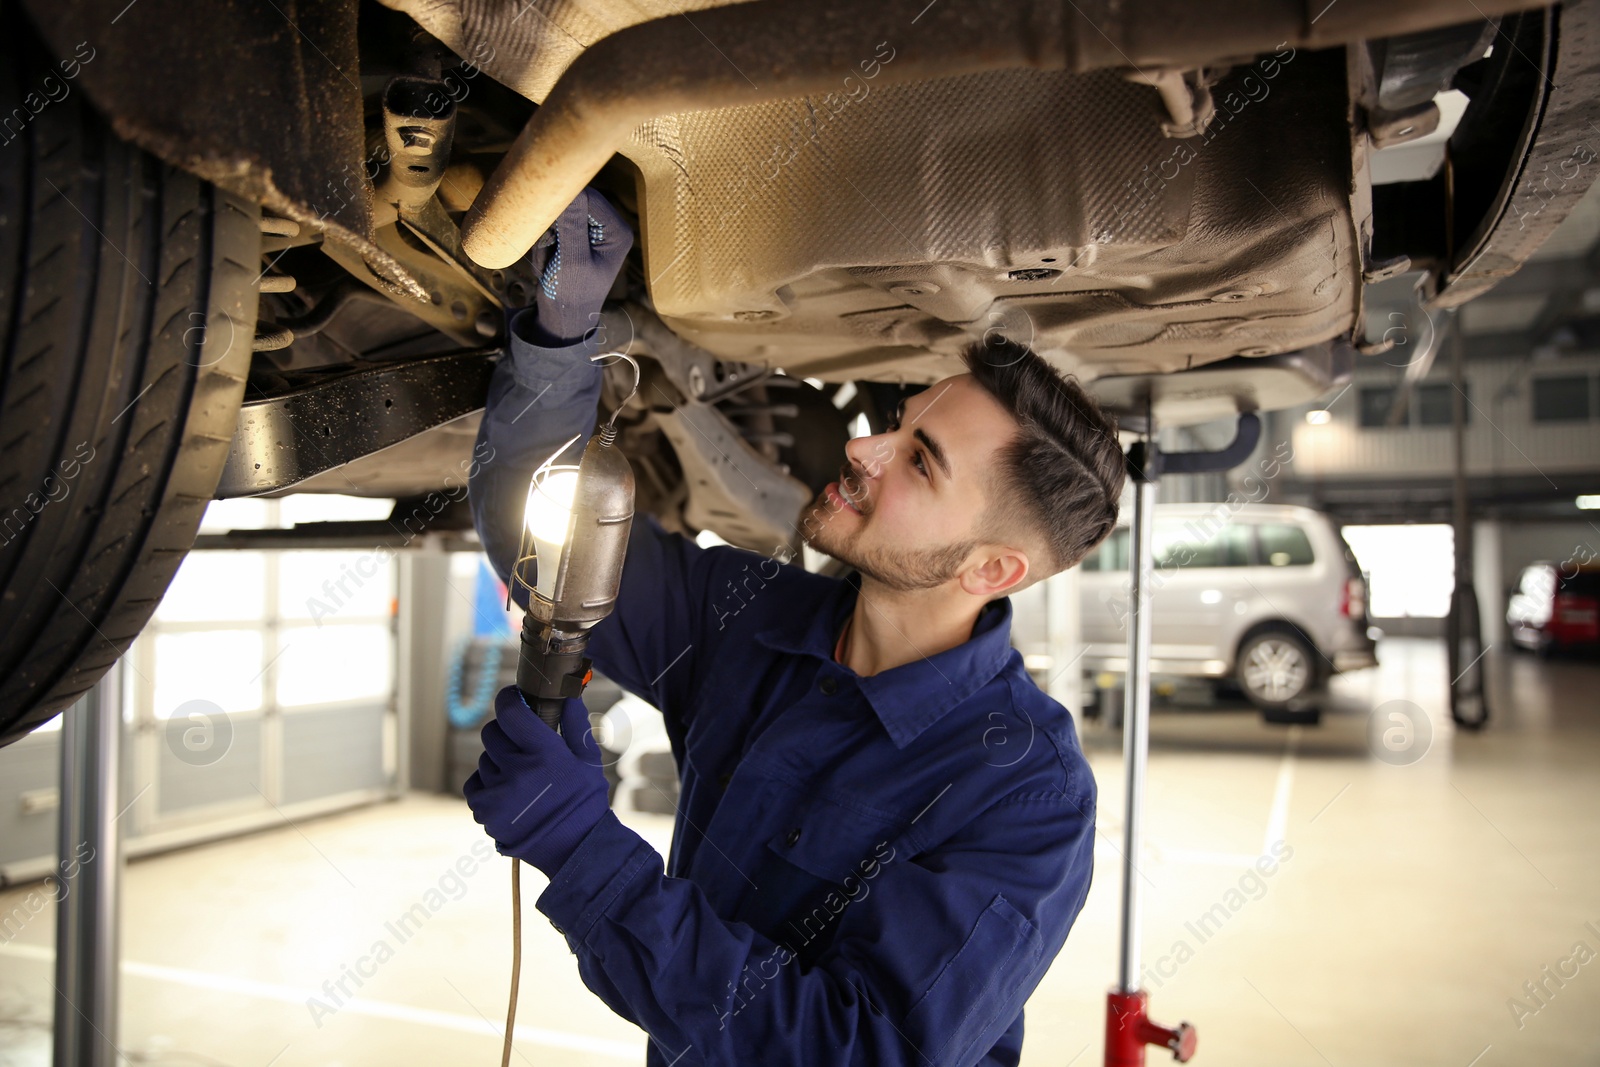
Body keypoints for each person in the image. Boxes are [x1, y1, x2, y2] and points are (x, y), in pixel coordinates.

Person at [464, 187, 1126, 1066]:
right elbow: (536, 539)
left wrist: (583, 851)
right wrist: (561, 329)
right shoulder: (747, 618)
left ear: (992, 569)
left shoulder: (1026, 793)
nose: (864, 448)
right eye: (901, 424)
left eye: (918, 463)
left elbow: (842, 1050)